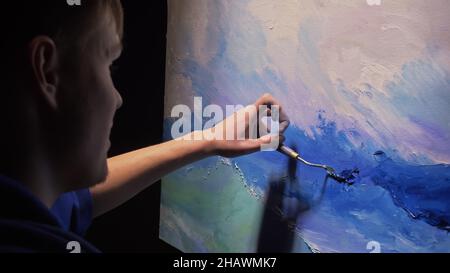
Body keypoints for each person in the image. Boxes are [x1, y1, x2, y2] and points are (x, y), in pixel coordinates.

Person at [0, 0, 289, 252]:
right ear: (47, 68)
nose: (118, 98)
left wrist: (209, 139)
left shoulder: (22, 205)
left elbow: (76, 199)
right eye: (108, 65)